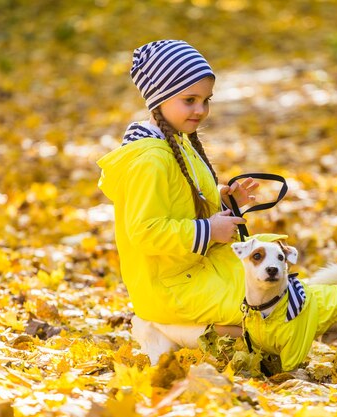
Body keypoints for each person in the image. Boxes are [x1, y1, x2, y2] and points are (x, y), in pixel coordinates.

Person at [97, 40, 278, 360]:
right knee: (260, 317)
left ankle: (185, 330)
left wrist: (224, 201)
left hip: (194, 269)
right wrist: (207, 230)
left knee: (275, 286)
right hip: (168, 285)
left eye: (206, 100)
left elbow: (183, 201)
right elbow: (144, 231)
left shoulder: (178, 141)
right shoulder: (149, 160)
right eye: (189, 100)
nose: (200, 110)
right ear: (160, 99)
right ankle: (168, 330)